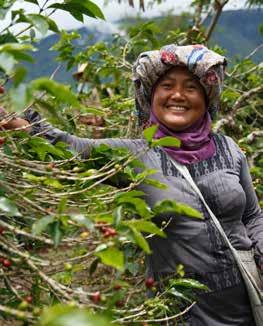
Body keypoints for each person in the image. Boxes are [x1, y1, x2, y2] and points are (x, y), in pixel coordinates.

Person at [2, 44, 263, 325]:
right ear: (151, 97)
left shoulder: (229, 148)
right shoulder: (136, 156)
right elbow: (72, 148)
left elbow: (251, 215)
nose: (178, 95)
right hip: (182, 314)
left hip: (250, 301)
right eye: (167, 86)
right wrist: (21, 124)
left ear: (205, 97)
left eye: (190, 87)